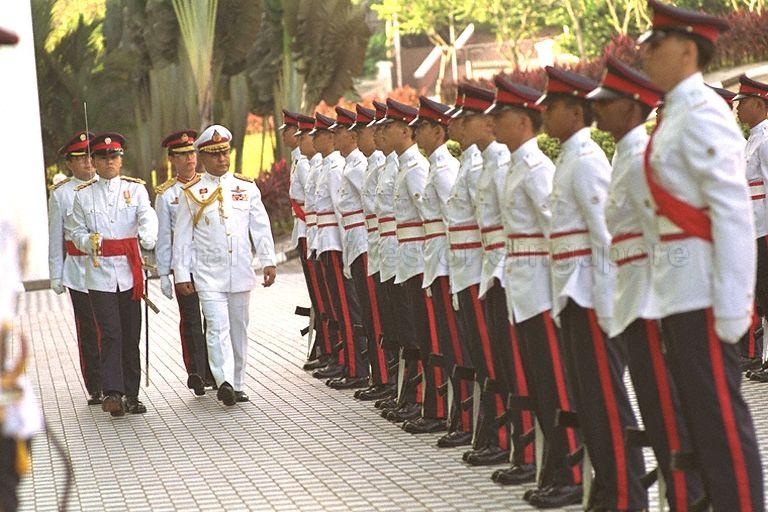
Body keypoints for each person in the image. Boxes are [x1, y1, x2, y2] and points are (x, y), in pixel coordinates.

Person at [639, 1, 764, 508]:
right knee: (698, 418)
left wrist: (735, 307)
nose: (644, 52)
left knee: (720, 425)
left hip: (705, 295)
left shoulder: (704, 113)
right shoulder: (679, 113)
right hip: (679, 289)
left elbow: (732, 212)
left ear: (687, 50)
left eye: (656, 43)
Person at [589, 56, 705, 511]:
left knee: (667, 416)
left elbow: (662, 236)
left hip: (650, 302)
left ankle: (684, 501)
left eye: (608, 102)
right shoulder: (626, 155)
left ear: (634, 108)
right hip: (634, 298)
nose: (597, 110)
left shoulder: (640, 159)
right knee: (657, 414)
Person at [538, 67, 647, 510]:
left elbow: (606, 238)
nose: (544, 114)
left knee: (606, 402)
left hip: (593, 296)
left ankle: (627, 494)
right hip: (575, 293)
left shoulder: (585, 161)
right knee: (589, 402)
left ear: (574, 112)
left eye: (551, 107)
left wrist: (609, 304)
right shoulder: (569, 157)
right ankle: (607, 487)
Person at [486, 75, 583, 503]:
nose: (494, 125)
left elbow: (554, 234)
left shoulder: (538, 169)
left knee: (555, 385)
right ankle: (550, 468)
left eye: (501, 117)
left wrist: (561, 291)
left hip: (542, 291)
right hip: (522, 288)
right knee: (539, 385)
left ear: (524, 123)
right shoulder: (516, 167)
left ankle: (571, 474)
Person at [172, 124, 277, 407]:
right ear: (203, 158)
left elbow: (260, 226)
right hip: (208, 274)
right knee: (217, 328)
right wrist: (181, 273)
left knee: (238, 327)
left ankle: (239, 382)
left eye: (224, 152)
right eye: (214, 154)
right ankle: (225, 382)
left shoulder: (245, 187)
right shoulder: (192, 192)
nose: (221, 159)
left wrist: (268, 261)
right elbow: (181, 237)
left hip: (240, 270)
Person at [68, 132, 158, 416]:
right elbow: (75, 231)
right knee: (110, 333)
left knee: (130, 335)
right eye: (103, 157)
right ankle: (113, 392)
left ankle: (132, 394)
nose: (109, 162)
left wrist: (147, 235)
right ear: (93, 161)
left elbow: (147, 216)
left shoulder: (136, 190)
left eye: (114, 156)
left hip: (130, 273)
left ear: (121, 159)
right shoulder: (83, 196)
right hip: (100, 273)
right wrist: (87, 241)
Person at [407, 95, 465, 435]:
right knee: (438, 340)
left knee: (450, 344)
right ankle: (444, 410)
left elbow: (451, 223)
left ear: (437, 132)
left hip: (444, 262)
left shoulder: (443, 171)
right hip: (435, 260)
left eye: (422, 128)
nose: (417, 133)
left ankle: (451, 412)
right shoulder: (436, 168)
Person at [307, 113, 366, 388]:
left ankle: (354, 366)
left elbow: (345, 215)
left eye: (320, 135)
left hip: (338, 243)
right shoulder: (332, 167)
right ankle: (345, 361)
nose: (314, 139)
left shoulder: (338, 168)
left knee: (346, 307)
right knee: (337, 308)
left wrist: (345, 250)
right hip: (327, 241)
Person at [155, 129, 213, 395]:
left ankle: (215, 369)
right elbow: (164, 237)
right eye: (182, 155)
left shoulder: (209, 185)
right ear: (172, 160)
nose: (190, 159)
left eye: (192, 153)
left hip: (210, 263)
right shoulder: (166, 195)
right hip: (184, 267)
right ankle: (197, 372)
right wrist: (165, 274)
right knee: (190, 319)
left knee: (213, 317)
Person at [47, 131, 103, 405]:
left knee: (112, 328)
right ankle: (96, 384)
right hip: (78, 271)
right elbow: (55, 237)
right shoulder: (61, 194)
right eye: (80, 159)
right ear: (69, 162)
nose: (87, 164)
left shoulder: (108, 186)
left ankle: (116, 380)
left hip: (108, 269)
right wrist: (56, 274)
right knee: (89, 330)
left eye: (90, 157)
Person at [354, 102, 396, 401]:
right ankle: (389, 382)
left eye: (380, 130)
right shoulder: (376, 167)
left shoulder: (400, 168)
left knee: (396, 322)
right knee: (383, 318)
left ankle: (395, 383)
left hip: (397, 253)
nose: (372, 137)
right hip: (378, 247)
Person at [329, 106, 372, 389]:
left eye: (340, 135)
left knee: (365, 312)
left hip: (364, 243)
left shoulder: (357, 168)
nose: (335, 141)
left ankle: (362, 370)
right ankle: (364, 370)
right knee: (364, 311)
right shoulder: (348, 166)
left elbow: (370, 210)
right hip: (354, 241)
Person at [293, 114, 335, 372]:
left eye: (306, 136)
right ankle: (333, 354)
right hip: (318, 236)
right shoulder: (315, 165)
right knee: (327, 302)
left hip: (333, 240)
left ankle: (346, 360)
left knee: (336, 303)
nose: (300, 141)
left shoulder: (330, 168)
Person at [734, 75, 768, 376]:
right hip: (755, 229)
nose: (737, 109)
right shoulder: (753, 140)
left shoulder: (766, 139)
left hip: (765, 230)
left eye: (742, 103)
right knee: (763, 295)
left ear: (759, 103)